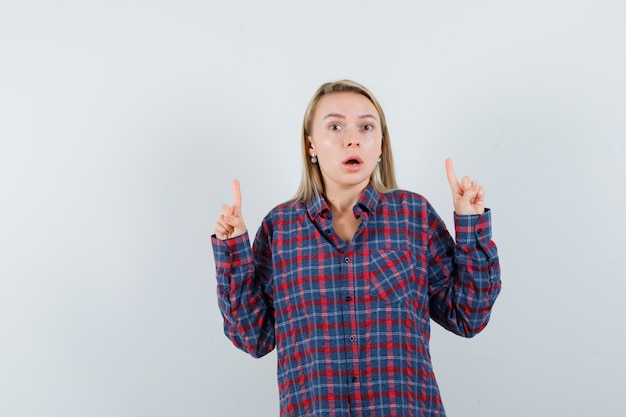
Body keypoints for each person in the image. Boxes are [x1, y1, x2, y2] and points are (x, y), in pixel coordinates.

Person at [211, 80, 501, 417]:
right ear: (311, 146)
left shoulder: (413, 215)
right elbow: (253, 337)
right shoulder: (280, 228)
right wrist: (233, 250)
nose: (353, 138)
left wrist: (471, 224)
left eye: (366, 126)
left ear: (380, 145)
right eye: (335, 126)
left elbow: (468, 316)